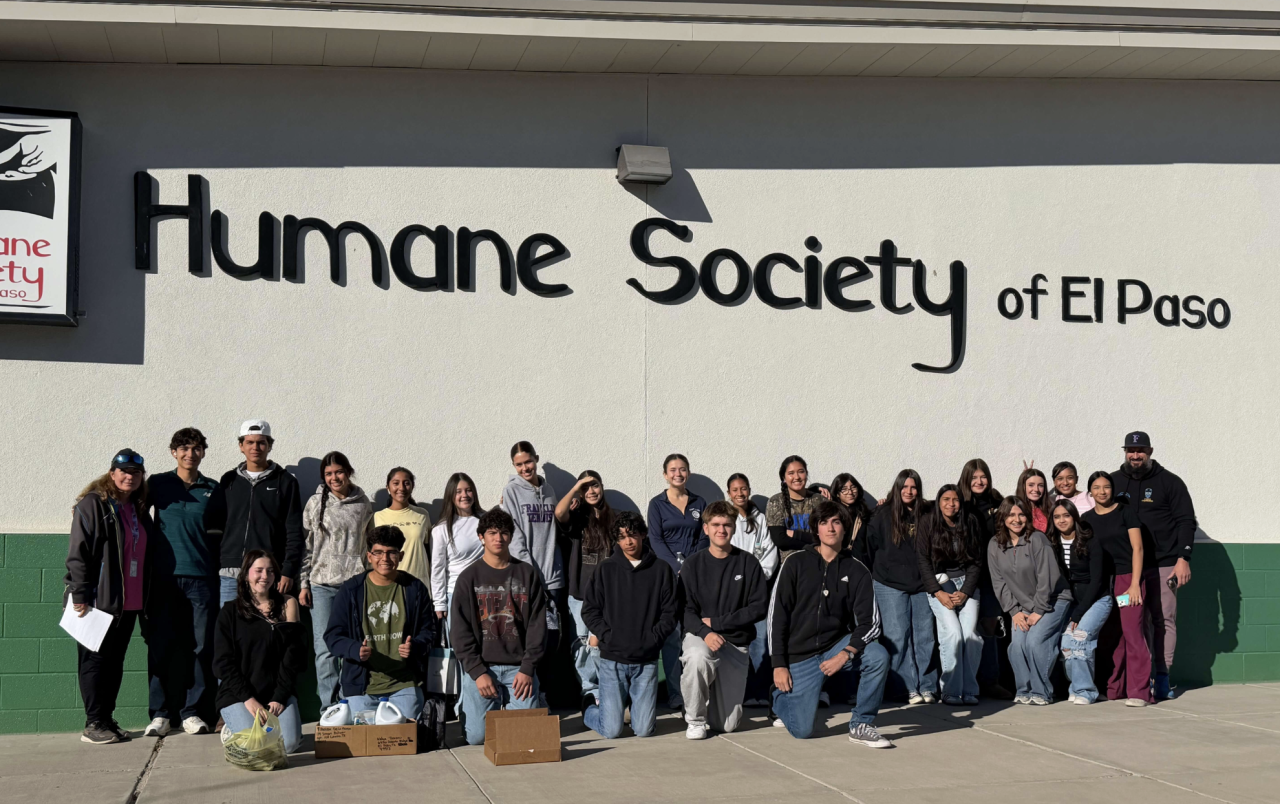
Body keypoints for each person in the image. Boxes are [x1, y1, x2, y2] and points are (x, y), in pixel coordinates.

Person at [769, 500, 891, 748]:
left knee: (878, 656)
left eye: (836, 522)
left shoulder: (857, 570)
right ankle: (777, 695)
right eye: (824, 522)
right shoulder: (795, 562)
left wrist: (846, 653)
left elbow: (870, 623)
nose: (831, 528)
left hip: (836, 646)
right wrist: (779, 665)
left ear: (845, 528)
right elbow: (777, 616)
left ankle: (861, 724)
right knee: (802, 730)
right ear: (816, 528)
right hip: (800, 655)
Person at [66, 449, 162, 745]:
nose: (129, 477)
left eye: (136, 472)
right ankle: (93, 723)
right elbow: (79, 552)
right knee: (95, 661)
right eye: (124, 471)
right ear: (112, 473)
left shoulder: (138, 507)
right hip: (98, 601)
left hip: (128, 603)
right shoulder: (93, 504)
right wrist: (80, 592)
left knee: (114, 662)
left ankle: (106, 719)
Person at [145, 428, 226, 736]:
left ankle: (192, 712)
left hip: (203, 579)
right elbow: (128, 506)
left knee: (202, 647)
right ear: (173, 452)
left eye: (196, 448)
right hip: (164, 579)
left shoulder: (213, 488)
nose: (190, 454)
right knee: (161, 645)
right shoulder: (158, 484)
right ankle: (161, 714)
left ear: (203, 452)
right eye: (184, 448)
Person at [450, 508, 549, 746]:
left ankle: (536, 698)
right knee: (478, 738)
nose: (498, 538)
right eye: (492, 533)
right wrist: (477, 672)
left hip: (519, 669)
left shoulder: (527, 573)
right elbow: (459, 632)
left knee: (524, 735)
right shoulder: (468, 578)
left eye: (504, 532)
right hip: (484, 668)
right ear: (481, 537)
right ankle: (471, 708)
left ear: (511, 536)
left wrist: (528, 668)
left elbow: (538, 626)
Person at [1110, 431, 1196, 701]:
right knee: (1134, 622)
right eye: (1130, 450)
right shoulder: (1113, 481)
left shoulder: (1170, 482)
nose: (1135, 455)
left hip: (1163, 564)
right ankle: (1139, 677)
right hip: (1126, 568)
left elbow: (1186, 521)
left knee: (1163, 620)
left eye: (1141, 450)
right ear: (1125, 452)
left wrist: (1183, 559)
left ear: (1150, 452)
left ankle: (1162, 676)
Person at [581, 511, 679, 739]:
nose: (628, 541)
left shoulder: (661, 569)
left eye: (633, 534)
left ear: (643, 534)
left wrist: (654, 638)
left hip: (646, 660)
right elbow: (590, 610)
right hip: (612, 660)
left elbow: (670, 612)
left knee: (644, 730)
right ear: (616, 540)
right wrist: (607, 635)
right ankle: (589, 707)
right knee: (611, 730)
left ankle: (628, 711)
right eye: (622, 536)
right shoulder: (605, 569)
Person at [323, 525, 437, 721]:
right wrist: (354, 649)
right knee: (365, 730)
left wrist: (415, 647)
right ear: (369, 556)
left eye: (392, 552)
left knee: (403, 730)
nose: (385, 558)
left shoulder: (415, 588)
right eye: (378, 552)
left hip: (404, 683)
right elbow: (333, 636)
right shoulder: (351, 590)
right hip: (362, 686)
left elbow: (429, 631)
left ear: (400, 556)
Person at [678, 501, 768, 738]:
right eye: (716, 524)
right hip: (701, 636)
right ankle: (695, 718)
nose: (721, 529)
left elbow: (758, 608)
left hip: (735, 643)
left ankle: (703, 700)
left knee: (727, 724)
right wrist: (706, 632)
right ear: (705, 528)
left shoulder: (748, 563)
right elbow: (684, 610)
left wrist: (717, 624)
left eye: (727, 525)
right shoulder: (693, 564)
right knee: (697, 658)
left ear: (734, 527)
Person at [299, 451, 374, 709]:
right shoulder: (314, 503)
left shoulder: (363, 504)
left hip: (354, 586)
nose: (334, 478)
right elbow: (307, 547)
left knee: (353, 647)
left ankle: (351, 703)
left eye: (339, 472)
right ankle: (329, 708)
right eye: (328, 474)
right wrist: (303, 584)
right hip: (321, 586)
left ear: (348, 472)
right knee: (325, 650)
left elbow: (369, 546)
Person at [213, 550, 305, 754]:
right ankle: (231, 728)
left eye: (270, 571)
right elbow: (222, 663)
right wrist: (249, 699)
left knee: (288, 746)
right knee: (256, 746)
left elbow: (293, 659)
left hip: (276, 694)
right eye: (259, 570)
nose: (265, 576)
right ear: (246, 574)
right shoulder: (230, 612)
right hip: (240, 696)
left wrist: (279, 697)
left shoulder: (287, 605)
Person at [986, 497, 1072, 705]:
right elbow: (999, 582)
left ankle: (1041, 692)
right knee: (1017, 646)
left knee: (1035, 642)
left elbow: (1047, 577)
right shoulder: (995, 544)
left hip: (1053, 600)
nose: (1017, 519)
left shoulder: (1037, 539)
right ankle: (1024, 690)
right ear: (1003, 517)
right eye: (1011, 515)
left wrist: (1039, 610)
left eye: (1021, 514)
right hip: (1021, 606)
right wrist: (1014, 611)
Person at [866, 469, 937, 704]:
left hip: (921, 583)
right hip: (889, 583)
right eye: (904, 486)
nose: (909, 491)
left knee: (925, 636)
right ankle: (905, 688)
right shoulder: (882, 513)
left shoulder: (927, 512)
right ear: (897, 488)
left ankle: (927, 686)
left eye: (913, 487)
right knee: (898, 636)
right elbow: (870, 546)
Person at [217, 420, 304, 607]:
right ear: (241, 446)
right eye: (249, 442)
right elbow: (217, 524)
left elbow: (294, 530)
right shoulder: (228, 481)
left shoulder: (285, 482)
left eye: (261, 442)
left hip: (267, 573)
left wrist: (288, 570)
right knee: (229, 623)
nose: (255, 447)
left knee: (265, 623)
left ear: (269, 446)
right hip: (231, 573)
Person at [1083, 471, 1152, 706]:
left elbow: (1138, 549)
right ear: (1090, 492)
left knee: (1133, 634)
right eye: (1096, 487)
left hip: (1127, 580)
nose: (1102, 491)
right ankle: (1114, 689)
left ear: (1112, 489)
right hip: (1103, 583)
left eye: (1106, 487)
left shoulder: (1126, 512)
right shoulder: (1086, 519)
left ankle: (1140, 692)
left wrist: (1135, 584)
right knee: (1110, 637)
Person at [501, 441, 563, 702]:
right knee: (529, 640)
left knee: (551, 640)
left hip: (553, 579)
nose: (525, 468)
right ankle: (529, 696)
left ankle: (546, 693)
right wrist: (530, 573)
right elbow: (515, 538)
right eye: (519, 464)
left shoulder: (549, 490)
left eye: (528, 462)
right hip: (528, 579)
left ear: (536, 459)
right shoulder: (511, 491)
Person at [646, 453, 707, 709]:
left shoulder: (699, 502)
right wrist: (677, 566)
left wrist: (689, 566)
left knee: (693, 632)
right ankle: (675, 693)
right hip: (667, 577)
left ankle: (697, 691)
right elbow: (655, 540)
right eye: (673, 470)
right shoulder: (657, 504)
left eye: (682, 469)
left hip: (694, 577)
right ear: (665, 475)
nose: (678, 474)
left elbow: (704, 537)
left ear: (688, 473)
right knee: (671, 636)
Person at [916, 484, 982, 705]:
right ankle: (951, 691)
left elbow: (976, 561)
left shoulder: (970, 522)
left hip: (966, 585)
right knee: (952, 633)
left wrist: (965, 592)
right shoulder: (928, 522)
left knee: (970, 635)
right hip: (940, 585)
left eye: (955, 500)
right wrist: (937, 592)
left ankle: (969, 689)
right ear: (938, 501)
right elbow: (923, 560)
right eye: (946, 499)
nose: (951, 504)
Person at [555, 470, 615, 709]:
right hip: (579, 593)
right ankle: (589, 692)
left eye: (595, 485)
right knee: (580, 646)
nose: (591, 491)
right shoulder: (576, 516)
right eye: (586, 487)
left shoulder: (614, 517)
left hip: (607, 594)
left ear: (602, 487)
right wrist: (575, 488)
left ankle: (606, 690)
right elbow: (559, 514)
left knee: (599, 644)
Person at [958, 458, 1012, 701]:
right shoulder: (959, 503)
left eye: (983, 477)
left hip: (991, 576)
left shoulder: (997, 503)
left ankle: (991, 680)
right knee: (965, 629)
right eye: (974, 477)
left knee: (990, 626)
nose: (979, 481)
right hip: (964, 575)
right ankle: (963, 680)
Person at [1050, 499, 1112, 705]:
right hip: (1074, 602)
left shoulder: (1090, 541)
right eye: (1057, 517)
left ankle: (1086, 691)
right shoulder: (1054, 543)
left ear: (1074, 517)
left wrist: (1078, 614)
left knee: (1080, 638)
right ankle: (1076, 687)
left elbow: (1097, 581)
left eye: (1066, 515)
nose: (1061, 520)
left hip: (1097, 600)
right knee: (1066, 643)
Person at [726, 473, 778, 707]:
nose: (740, 493)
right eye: (735, 490)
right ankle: (742, 692)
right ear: (729, 493)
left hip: (757, 589)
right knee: (737, 640)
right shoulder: (726, 518)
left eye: (743, 488)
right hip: (732, 589)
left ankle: (760, 691)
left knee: (760, 640)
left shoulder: (760, 518)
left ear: (749, 490)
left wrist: (758, 578)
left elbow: (769, 551)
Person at [429, 473, 485, 627]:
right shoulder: (441, 529)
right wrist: (439, 603)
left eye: (468, 490)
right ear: (450, 495)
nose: (464, 495)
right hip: (456, 594)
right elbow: (437, 568)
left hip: (487, 593)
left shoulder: (486, 520)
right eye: (458, 491)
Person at [373, 467, 433, 583]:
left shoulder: (422, 514)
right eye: (396, 483)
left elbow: (428, 549)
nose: (401, 488)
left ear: (412, 487)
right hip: (390, 582)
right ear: (388, 487)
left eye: (406, 483)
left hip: (419, 581)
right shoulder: (377, 517)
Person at [765, 455, 824, 560]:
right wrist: (812, 544)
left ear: (806, 474)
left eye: (801, 472)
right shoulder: (776, 502)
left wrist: (794, 534)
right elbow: (780, 540)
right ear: (784, 478)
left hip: (818, 559)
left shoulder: (819, 500)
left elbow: (826, 536)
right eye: (791, 473)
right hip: (790, 562)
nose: (797, 477)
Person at [830, 472, 874, 564]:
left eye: (853, 487)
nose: (850, 492)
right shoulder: (833, 514)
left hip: (861, 563)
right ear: (837, 493)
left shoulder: (864, 513)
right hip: (839, 562)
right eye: (844, 489)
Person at [1015, 468, 1053, 534]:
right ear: (1022, 486)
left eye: (1040, 485)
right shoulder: (1014, 509)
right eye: (1031, 485)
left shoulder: (1049, 509)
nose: (1036, 489)